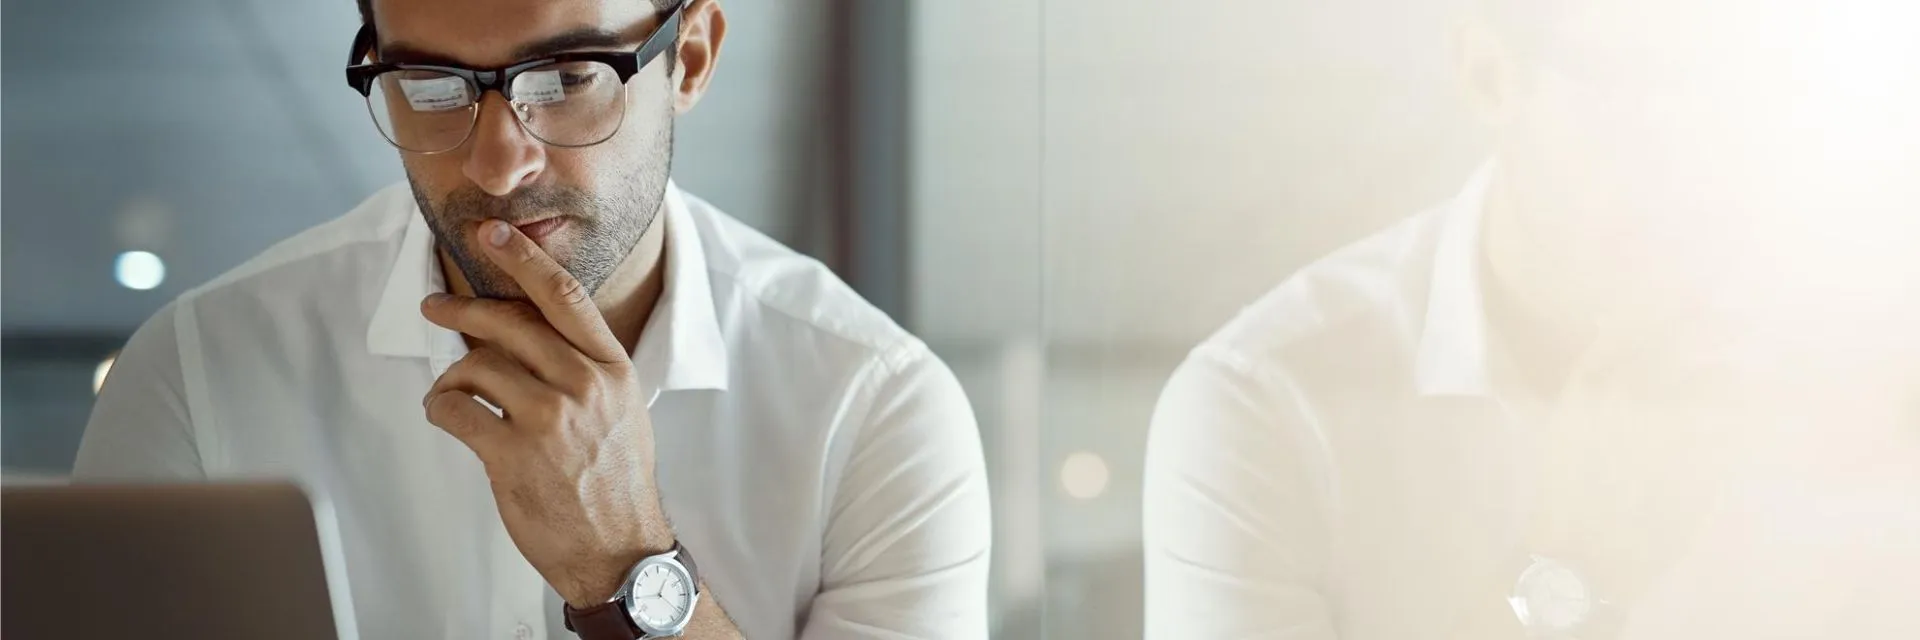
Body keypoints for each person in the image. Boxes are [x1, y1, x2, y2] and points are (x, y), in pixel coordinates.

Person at [73, 0, 992, 638]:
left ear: (692, 57)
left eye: (565, 77)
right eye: (432, 84)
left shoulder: (875, 408)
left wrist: (624, 566)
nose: (497, 163)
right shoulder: (197, 376)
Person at [1142, 1, 1920, 638]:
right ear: (1490, 75)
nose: (1708, 150)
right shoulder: (1266, 407)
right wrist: (1576, 572)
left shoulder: (1869, 393)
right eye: (1646, 79)